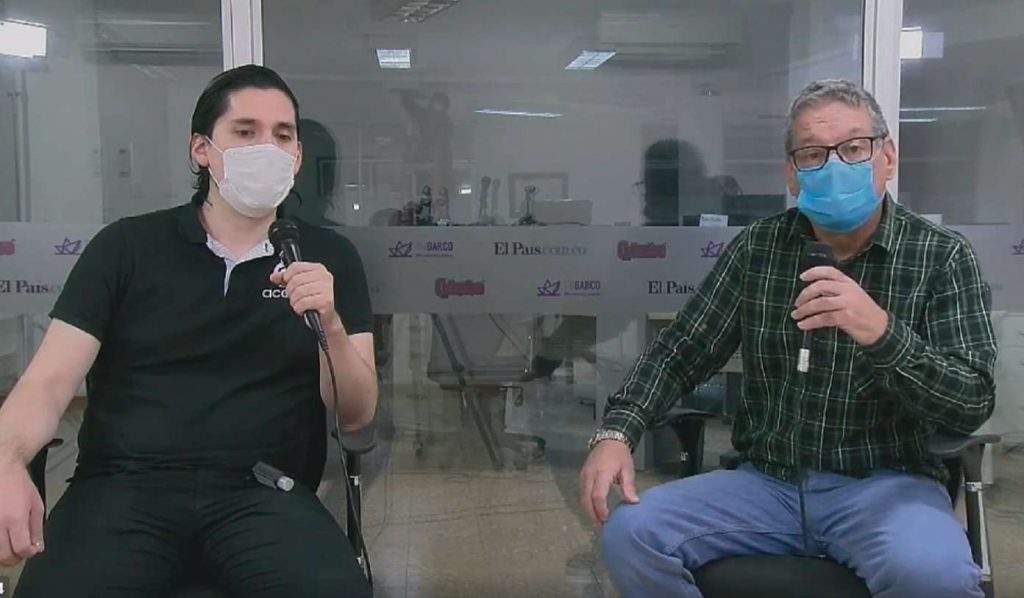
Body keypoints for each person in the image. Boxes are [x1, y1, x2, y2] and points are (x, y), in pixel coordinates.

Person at [580, 78, 997, 598]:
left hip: (887, 487)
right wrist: (617, 432)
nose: (834, 166)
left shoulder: (942, 256)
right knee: (631, 535)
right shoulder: (760, 247)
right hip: (767, 482)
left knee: (936, 576)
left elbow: (971, 401)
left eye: (853, 148)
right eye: (813, 154)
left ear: (887, 157)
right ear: (792, 174)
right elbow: (682, 350)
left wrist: (882, 333)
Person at [0, 65, 377, 597]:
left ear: (296, 156)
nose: (267, 147)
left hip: (265, 493)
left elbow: (356, 412)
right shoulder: (126, 248)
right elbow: (47, 383)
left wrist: (330, 325)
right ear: (202, 149)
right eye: (245, 131)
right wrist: (6, 462)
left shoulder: (328, 257)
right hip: (121, 491)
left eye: (283, 135)